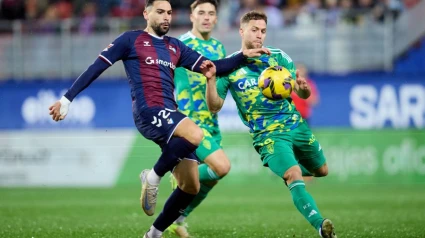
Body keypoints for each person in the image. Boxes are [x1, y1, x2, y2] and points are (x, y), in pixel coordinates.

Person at [47, 1, 269, 237]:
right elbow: (96, 67)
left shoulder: (175, 46)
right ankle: (152, 176)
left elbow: (212, 66)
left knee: (191, 186)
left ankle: (153, 233)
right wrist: (66, 100)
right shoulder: (129, 40)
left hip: (170, 116)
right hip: (148, 111)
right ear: (146, 14)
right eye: (160, 12)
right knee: (195, 133)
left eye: (170, 13)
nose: (166, 17)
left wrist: (244, 56)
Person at [203, 11, 337, 238]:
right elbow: (214, 106)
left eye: (263, 31)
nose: (259, 35)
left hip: (295, 125)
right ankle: (320, 224)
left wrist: (302, 88)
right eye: (254, 30)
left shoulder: (278, 57)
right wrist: (210, 81)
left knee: (321, 170)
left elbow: (301, 94)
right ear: (242, 31)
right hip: (268, 134)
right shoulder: (229, 67)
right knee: (294, 175)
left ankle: (288, 170)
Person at [167, 1, 229, 237]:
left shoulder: (219, 48)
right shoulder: (179, 45)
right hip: (188, 123)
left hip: (211, 122)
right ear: (191, 16)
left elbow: (220, 86)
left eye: (211, 13)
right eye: (201, 12)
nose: (206, 17)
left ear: (216, 18)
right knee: (221, 167)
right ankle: (179, 179)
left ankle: (178, 219)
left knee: (211, 178)